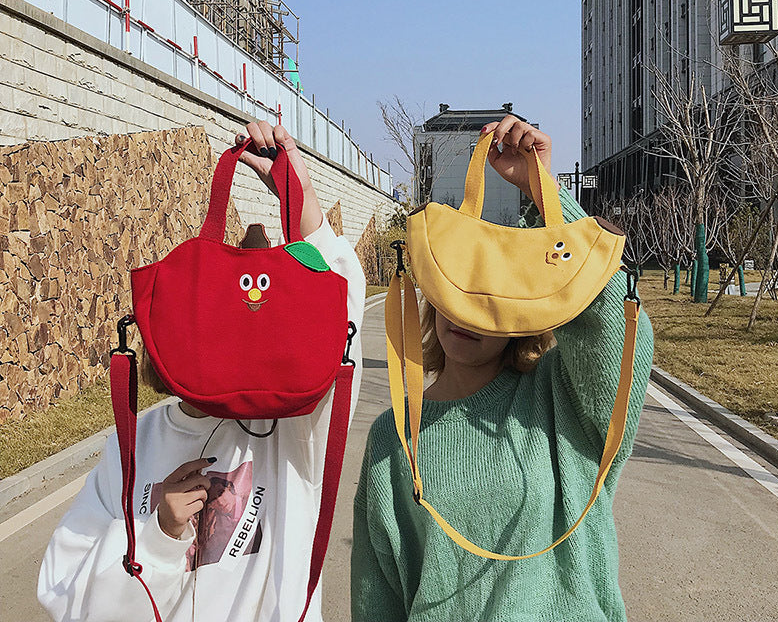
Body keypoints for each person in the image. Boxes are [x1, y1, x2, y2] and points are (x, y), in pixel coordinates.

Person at [38, 121, 366, 622]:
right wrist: (159, 535)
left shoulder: (296, 430)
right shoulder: (135, 445)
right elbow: (65, 592)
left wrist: (302, 202)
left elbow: (339, 316)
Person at [351, 116, 654, 622]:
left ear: (523, 312)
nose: (468, 312)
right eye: (460, 286)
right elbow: (376, 593)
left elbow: (616, 326)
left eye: (495, 296)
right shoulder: (393, 436)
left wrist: (545, 193)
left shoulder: (561, 401)